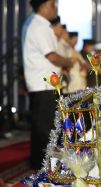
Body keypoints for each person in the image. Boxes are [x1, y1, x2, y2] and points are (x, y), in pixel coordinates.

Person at [23, 0, 74, 170]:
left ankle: (39, 162)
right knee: (45, 127)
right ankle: (44, 165)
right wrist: (68, 62)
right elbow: (52, 56)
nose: (55, 9)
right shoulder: (40, 26)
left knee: (41, 125)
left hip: (43, 83)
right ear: (44, 6)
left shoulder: (37, 24)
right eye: (53, 5)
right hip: (44, 83)